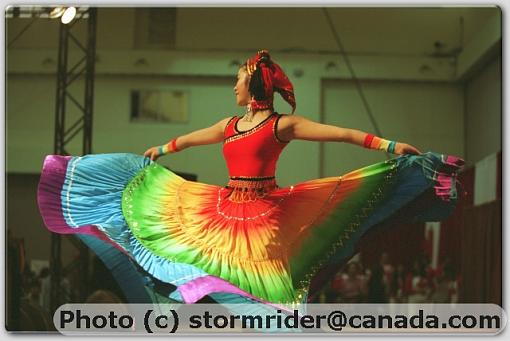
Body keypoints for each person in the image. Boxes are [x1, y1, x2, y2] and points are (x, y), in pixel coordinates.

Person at [37, 50, 464, 307]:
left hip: (266, 212)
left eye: (237, 81)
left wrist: (389, 146)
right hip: (221, 207)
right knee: (175, 244)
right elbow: (193, 138)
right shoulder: (230, 124)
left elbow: (343, 133)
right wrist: (163, 150)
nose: (233, 88)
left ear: (253, 84)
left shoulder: (281, 125)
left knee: (265, 280)